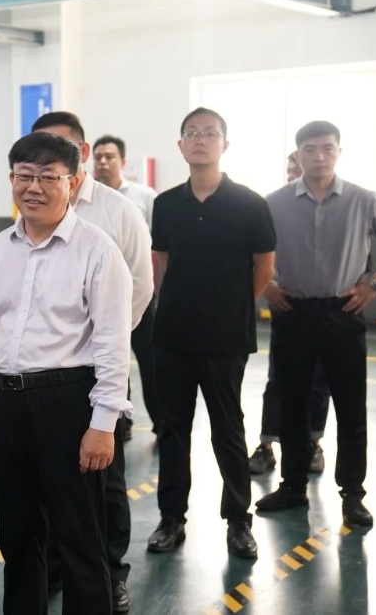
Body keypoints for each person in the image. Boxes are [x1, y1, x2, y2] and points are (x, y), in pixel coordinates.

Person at [0, 131, 133, 614]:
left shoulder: (97, 250)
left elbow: (112, 347)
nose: (33, 187)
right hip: (7, 402)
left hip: (69, 403)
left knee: (80, 539)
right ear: (11, 178)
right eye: (24, 175)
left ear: (73, 183)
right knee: (17, 536)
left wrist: (103, 425)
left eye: (47, 177)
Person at [255, 121, 376, 527]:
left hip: (342, 312)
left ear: (339, 152)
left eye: (327, 148)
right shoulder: (273, 203)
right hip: (292, 311)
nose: (319, 156)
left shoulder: (364, 200)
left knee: (350, 406)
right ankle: (292, 486)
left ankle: (353, 495)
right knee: (292, 403)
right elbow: (244, 248)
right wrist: (266, 286)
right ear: (298, 155)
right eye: (310, 149)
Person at [31, 114, 152, 613]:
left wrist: (105, 347)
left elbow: (139, 288)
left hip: (100, 370)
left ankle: (111, 571)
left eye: (61, 149)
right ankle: (58, 566)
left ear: (81, 153)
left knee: (106, 477)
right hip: (44, 376)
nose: (48, 163)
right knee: (51, 477)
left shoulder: (117, 211)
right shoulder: (32, 208)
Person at [146, 108, 276, 560]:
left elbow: (264, 269)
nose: (200, 139)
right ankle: (171, 518)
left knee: (228, 429)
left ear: (225, 144)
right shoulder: (166, 204)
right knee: (172, 430)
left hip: (225, 338)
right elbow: (163, 262)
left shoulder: (250, 204)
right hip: (173, 335)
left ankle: (238, 521)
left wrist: (231, 307)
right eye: (192, 133)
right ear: (181, 145)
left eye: (210, 133)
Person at [249, 152, 331, 476]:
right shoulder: (273, 207)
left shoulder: (333, 209)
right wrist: (267, 288)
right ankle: (267, 446)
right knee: (278, 379)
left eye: (297, 169)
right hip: (286, 306)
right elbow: (251, 252)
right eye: (289, 169)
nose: (292, 175)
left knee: (318, 380)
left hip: (325, 309)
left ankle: (313, 443)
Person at [93, 134, 161, 439]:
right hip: (103, 298)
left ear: (122, 161)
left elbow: (159, 243)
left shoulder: (144, 197)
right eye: (98, 157)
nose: (103, 162)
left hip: (141, 295)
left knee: (151, 362)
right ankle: (120, 422)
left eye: (109, 156)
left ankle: (161, 421)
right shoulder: (88, 201)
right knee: (112, 361)